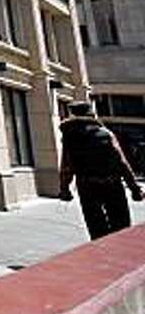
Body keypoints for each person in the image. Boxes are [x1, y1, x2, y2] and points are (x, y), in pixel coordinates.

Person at [59, 100, 143, 241]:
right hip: (112, 184)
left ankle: (102, 253)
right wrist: (134, 188)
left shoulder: (69, 137)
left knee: (96, 226)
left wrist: (64, 188)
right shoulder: (105, 134)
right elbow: (122, 162)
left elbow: (67, 166)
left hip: (86, 186)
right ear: (91, 114)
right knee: (121, 225)